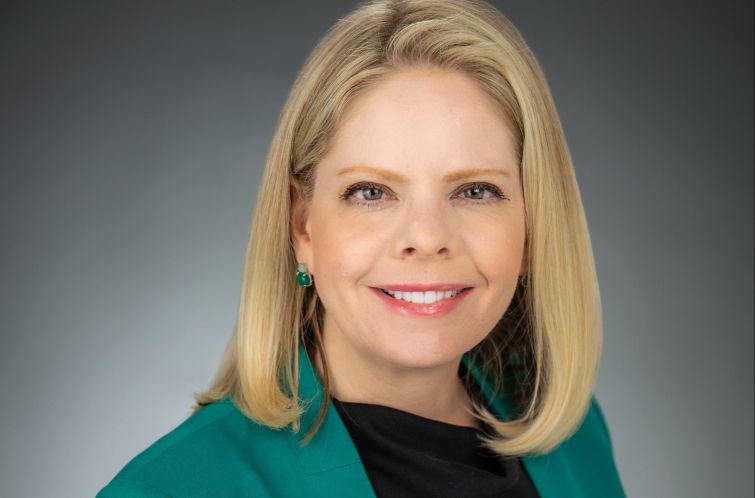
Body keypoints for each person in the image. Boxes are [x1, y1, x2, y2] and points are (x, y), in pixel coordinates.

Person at [98, 0, 626, 496]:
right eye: (371, 192)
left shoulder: (574, 438)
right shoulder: (172, 489)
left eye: (475, 191)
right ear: (301, 227)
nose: (426, 237)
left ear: (534, 225)